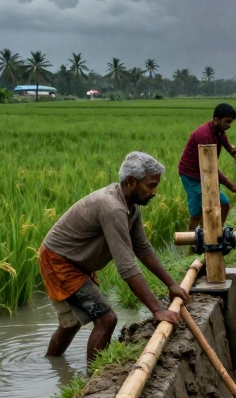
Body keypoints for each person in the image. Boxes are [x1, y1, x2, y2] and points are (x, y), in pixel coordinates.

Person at [39, 151, 189, 362]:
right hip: (59, 261)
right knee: (106, 319)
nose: (155, 192)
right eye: (151, 185)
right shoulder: (112, 208)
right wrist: (157, 309)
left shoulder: (131, 206)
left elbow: (143, 249)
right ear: (131, 182)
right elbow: (127, 267)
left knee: (71, 322)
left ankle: (52, 364)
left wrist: (172, 285)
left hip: (75, 260)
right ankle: (92, 382)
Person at [180, 103, 236, 230]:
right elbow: (210, 167)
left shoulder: (220, 132)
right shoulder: (204, 136)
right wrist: (231, 186)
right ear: (216, 120)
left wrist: (234, 151)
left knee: (224, 203)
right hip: (191, 175)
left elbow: (227, 145)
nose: (229, 125)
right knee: (197, 214)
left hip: (206, 173)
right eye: (227, 122)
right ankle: (193, 246)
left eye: (231, 122)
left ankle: (215, 235)